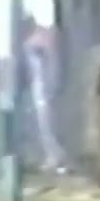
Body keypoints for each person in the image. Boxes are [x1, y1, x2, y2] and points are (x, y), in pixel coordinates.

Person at [22, 15, 68, 175]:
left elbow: (50, 65)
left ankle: (55, 157)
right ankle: (51, 157)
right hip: (40, 87)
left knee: (47, 123)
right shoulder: (34, 43)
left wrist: (51, 87)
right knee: (42, 124)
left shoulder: (38, 41)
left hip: (44, 88)